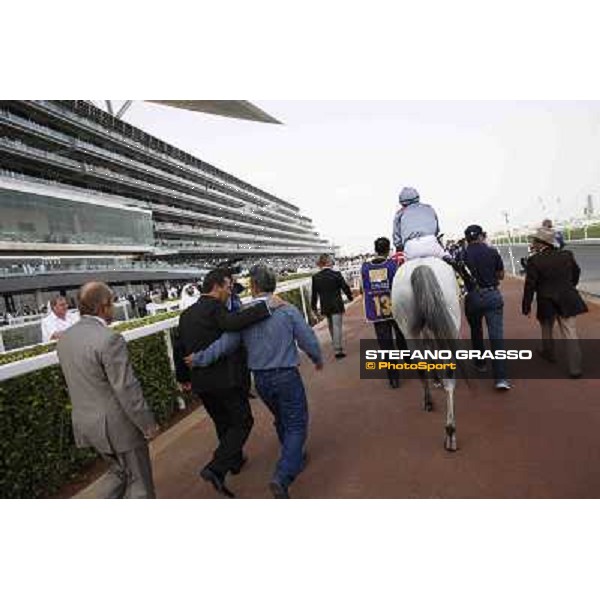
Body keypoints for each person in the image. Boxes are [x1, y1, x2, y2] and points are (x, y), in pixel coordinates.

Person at [186, 264, 323, 499]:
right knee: (297, 423)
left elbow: (224, 345)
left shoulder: (242, 315)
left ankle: (293, 456)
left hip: (261, 381)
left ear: (254, 286)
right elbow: (307, 338)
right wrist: (316, 357)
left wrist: (198, 359)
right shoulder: (286, 309)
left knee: (283, 418)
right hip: (286, 375)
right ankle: (284, 474)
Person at [177, 268, 274, 498]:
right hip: (226, 381)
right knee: (243, 422)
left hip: (202, 383)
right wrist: (267, 305)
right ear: (217, 286)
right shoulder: (215, 308)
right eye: (228, 287)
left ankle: (234, 462)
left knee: (223, 423)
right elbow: (234, 323)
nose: (230, 292)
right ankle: (216, 467)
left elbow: (179, 349)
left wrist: (183, 377)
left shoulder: (185, 315)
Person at [57, 282, 159, 499]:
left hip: (89, 425)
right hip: (119, 427)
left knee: (118, 473)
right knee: (140, 485)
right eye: (112, 303)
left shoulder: (65, 339)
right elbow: (126, 388)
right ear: (103, 306)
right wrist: (147, 424)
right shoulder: (109, 339)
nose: (113, 308)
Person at [522, 227, 587, 378]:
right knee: (570, 332)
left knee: (546, 328)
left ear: (540, 243)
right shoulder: (567, 255)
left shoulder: (534, 261)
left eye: (534, 240)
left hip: (546, 300)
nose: (533, 243)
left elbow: (530, 285)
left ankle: (549, 353)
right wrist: (569, 286)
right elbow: (576, 273)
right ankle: (575, 369)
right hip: (567, 298)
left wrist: (526, 306)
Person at [462, 224, 511, 391]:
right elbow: (501, 275)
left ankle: (480, 362)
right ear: (481, 235)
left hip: (473, 297)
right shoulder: (492, 251)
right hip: (492, 294)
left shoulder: (462, 254)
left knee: (476, 331)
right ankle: (501, 378)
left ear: (467, 239)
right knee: (496, 337)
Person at [361, 237, 407, 388]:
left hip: (376, 311)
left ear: (376, 249)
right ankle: (407, 362)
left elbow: (365, 287)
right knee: (401, 337)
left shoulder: (365, 267)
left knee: (385, 344)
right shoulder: (393, 265)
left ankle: (393, 378)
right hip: (395, 308)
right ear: (388, 250)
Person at [311, 254, 353, 358]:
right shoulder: (336, 274)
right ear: (328, 262)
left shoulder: (316, 277)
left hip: (325, 305)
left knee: (331, 325)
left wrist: (314, 308)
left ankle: (336, 345)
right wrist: (350, 297)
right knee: (337, 326)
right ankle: (338, 350)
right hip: (337, 304)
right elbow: (345, 287)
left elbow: (314, 294)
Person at [392, 187, 446, 259]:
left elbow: (397, 241)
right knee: (447, 259)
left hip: (411, 248)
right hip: (431, 243)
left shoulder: (399, 214)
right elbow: (436, 231)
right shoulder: (429, 208)